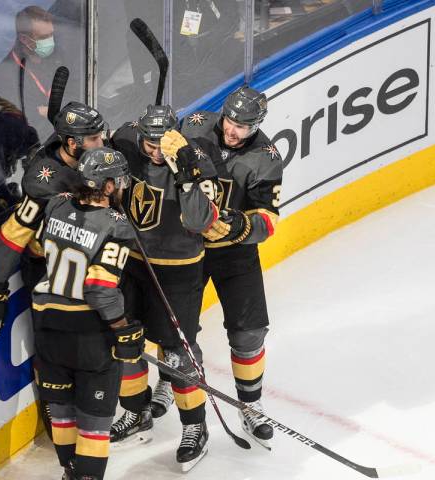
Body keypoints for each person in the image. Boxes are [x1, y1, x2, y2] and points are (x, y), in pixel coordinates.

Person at [0, 101, 106, 441]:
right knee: (54, 346)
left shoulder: (98, 157)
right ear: (72, 144)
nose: (101, 144)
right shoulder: (45, 180)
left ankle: (104, 406)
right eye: (93, 139)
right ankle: (58, 414)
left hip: (93, 269)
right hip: (49, 272)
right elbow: (14, 233)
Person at [108, 104, 220, 471]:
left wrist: (185, 172)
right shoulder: (125, 140)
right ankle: (137, 413)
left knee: (177, 355)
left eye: (162, 144)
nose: (155, 151)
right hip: (133, 263)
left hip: (179, 270)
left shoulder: (196, 159)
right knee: (127, 344)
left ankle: (195, 428)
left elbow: (200, 221)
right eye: (149, 143)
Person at [179, 85, 283, 448]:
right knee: (177, 333)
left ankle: (250, 405)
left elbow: (268, 220)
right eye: (230, 120)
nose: (232, 129)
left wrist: (240, 225)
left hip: (234, 253)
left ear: (257, 125)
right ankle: (178, 401)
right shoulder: (192, 128)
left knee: (250, 332)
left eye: (242, 125)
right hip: (186, 248)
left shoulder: (266, 158)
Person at [31, 146, 139, 480]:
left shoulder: (57, 205)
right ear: (107, 186)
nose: (120, 186)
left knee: (62, 415)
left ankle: (69, 473)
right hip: (89, 335)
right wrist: (122, 328)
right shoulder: (117, 225)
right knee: (94, 425)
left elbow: (36, 247)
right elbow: (100, 288)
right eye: (117, 181)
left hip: (47, 329)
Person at [0, 5, 80, 140]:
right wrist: (40, 112)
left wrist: (51, 109)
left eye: (52, 34)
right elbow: (13, 115)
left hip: (65, 127)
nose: (50, 41)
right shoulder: (7, 72)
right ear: (24, 39)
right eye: (44, 37)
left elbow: (76, 87)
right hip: (33, 136)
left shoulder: (58, 55)